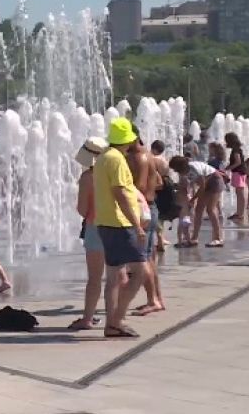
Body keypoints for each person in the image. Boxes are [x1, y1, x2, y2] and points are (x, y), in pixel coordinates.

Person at [94, 118, 149, 338]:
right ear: (128, 140)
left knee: (114, 277)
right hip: (120, 224)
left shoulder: (103, 157)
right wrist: (137, 226)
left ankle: (112, 323)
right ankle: (116, 321)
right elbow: (120, 193)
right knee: (140, 272)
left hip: (105, 222)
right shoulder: (116, 159)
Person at [67, 137, 109, 331]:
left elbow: (83, 210)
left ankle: (88, 318)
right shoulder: (116, 171)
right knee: (116, 276)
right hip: (118, 226)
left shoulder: (88, 177)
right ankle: (115, 317)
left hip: (96, 226)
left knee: (95, 277)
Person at [127, 135, 165, 317]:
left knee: (143, 259)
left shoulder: (139, 158)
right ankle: (157, 299)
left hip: (142, 209)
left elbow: (140, 187)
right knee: (149, 258)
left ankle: (153, 301)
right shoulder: (149, 156)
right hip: (150, 207)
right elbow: (159, 182)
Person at [169, 156, 225, 247]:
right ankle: (194, 238)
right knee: (198, 210)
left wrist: (193, 199)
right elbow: (194, 185)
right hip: (207, 183)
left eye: (175, 169)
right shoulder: (186, 171)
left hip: (215, 181)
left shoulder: (193, 169)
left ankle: (217, 238)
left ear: (180, 167)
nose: (175, 171)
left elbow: (202, 187)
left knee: (210, 209)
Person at [225, 133, 247, 221]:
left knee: (240, 193)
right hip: (241, 172)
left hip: (238, 172)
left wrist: (228, 168)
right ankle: (239, 212)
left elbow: (238, 162)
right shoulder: (237, 149)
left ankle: (240, 214)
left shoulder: (235, 150)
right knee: (239, 193)